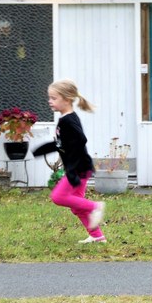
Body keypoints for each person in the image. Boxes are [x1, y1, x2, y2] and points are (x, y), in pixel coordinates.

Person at [32, 79, 106, 243]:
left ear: (66, 99)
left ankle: (95, 206)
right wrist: (42, 149)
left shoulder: (68, 120)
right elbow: (63, 144)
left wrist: (71, 169)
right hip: (80, 167)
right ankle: (97, 237)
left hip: (78, 168)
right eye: (49, 97)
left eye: (54, 98)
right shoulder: (65, 118)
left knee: (58, 197)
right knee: (77, 206)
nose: (50, 101)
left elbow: (80, 140)